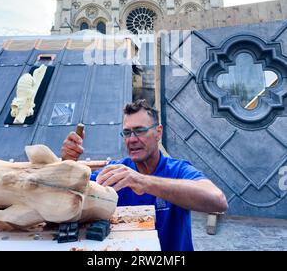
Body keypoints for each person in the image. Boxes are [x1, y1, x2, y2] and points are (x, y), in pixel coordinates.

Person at [62, 99, 228, 251]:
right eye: (127, 133)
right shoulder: (116, 172)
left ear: (158, 132)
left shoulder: (178, 170)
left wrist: (143, 182)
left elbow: (218, 201)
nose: (132, 139)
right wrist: (67, 164)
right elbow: (66, 194)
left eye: (140, 131)